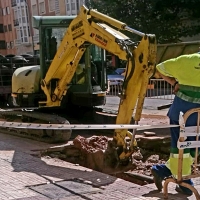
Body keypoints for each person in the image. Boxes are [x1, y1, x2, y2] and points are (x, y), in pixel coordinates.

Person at [151, 52, 200, 195]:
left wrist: (174, 83)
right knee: (190, 149)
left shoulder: (186, 60)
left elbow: (159, 68)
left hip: (180, 115)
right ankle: (182, 180)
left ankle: (163, 170)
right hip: (195, 118)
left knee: (180, 148)